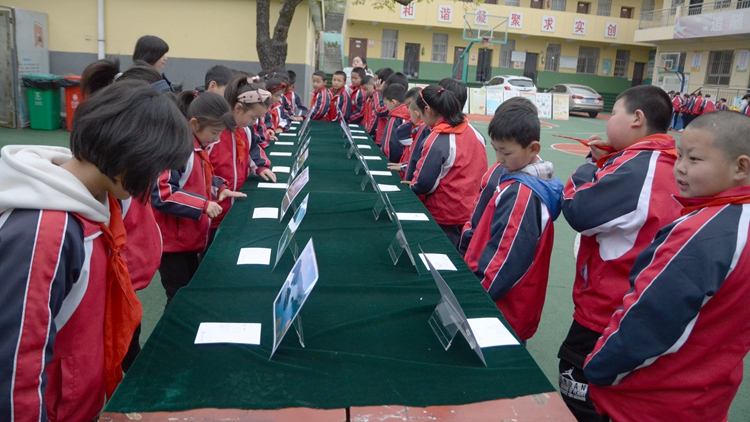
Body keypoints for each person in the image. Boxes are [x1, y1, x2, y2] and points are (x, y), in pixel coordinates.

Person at [0, 80, 192, 421]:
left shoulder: (98, 202)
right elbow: (16, 364)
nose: (152, 181)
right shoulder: (48, 230)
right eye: (154, 168)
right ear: (131, 156)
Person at [584, 111, 750, 422]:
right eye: (680, 155)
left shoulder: (702, 232)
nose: (681, 167)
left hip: (648, 401)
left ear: (741, 167)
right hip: (708, 399)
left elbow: (646, 320)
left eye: (695, 159)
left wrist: (596, 367)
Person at [558, 85, 682, 421]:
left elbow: (578, 210)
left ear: (636, 118)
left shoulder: (637, 168)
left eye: (613, 113)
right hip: (648, 311)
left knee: (581, 395)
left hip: (607, 311)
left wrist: (590, 164)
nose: (608, 120)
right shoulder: (673, 163)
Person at [460, 97, 563, 342]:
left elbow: (505, 259)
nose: (499, 158)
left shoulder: (522, 193)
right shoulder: (522, 181)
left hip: (502, 306)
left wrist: (474, 298)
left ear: (533, 148)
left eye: (506, 152)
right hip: (507, 300)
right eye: (496, 149)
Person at [152, 91, 246, 306]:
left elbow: (202, 177)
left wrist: (220, 188)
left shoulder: (197, 146)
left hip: (187, 239)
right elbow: (162, 194)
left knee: (188, 292)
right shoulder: (178, 149)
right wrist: (202, 204)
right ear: (194, 124)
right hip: (171, 244)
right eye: (214, 132)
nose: (216, 139)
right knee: (178, 298)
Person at [410, 85, 488, 248]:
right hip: (470, 213)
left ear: (428, 110)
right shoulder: (476, 133)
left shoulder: (438, 139)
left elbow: (424, 183)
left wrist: (412, 185)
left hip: (443, 215)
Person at [208, 76, 275, 241]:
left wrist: (260, 166)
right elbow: (201, 170)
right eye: (253, 117)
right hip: (214, 211)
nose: (255, 122)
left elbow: (253, 147)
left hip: (235, 205)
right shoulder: (213, 134)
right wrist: (219, 188)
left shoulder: (245, 130)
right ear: (238, 108)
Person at [403, 88, 430, 182]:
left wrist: (413, 183)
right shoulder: (421, 127)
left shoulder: (423, 128)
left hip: (415, 181)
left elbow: (418, 160)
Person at [380, 84, 410, 163]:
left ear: (393, 102)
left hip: (393, 162)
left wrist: (387, 160)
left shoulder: (395, 117)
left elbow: (390, 145)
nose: (386, 107)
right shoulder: (408, 113)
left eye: (386, 104)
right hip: (404, 161)